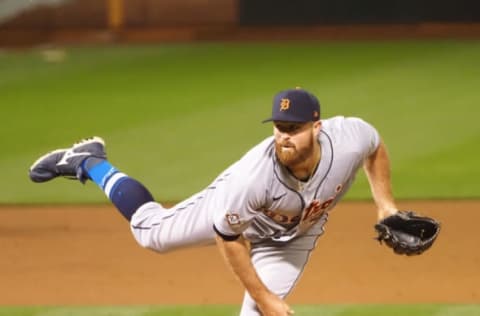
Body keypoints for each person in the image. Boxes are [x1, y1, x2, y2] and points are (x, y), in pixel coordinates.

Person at [29, 88, 399, 316]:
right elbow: (229, 236)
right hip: (236, 219)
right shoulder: (253, 178)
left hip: (294, 238)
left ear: (316, 128)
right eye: (279, 128)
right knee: (150, 234)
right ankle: (90, 161)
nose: (284, 137)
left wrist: (385, 205)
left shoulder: (349, 137)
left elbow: (376, 145)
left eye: (293, 129)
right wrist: (265, 298)